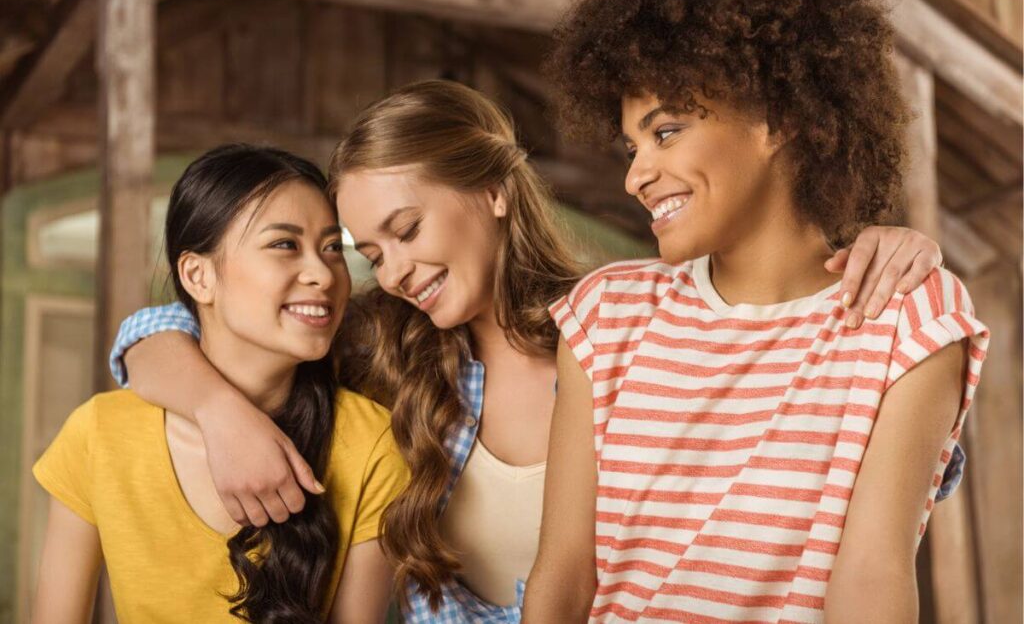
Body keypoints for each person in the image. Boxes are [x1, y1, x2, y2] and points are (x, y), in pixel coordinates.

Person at [108, 82, 946, 622]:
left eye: (406, 230)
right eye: (370, 250)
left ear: (494, 191)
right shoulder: (376, 346)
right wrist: (218, 411)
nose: (392, 272)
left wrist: (881, 260)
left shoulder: (628, 325)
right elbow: (149, 336)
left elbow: (873, 451)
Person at [522, 0, 989, 622]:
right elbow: (562, 576)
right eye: (632, 146)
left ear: (779, 119)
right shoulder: (604, 316)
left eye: (667, 131)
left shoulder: (907, 318)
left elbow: (871, 578)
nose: (635, 175)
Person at [32, 145, 406, 624]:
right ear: (197, 276)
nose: (323, 274)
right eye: (284, 244)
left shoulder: (371, 442)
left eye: (334, 248)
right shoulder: (97, 435)